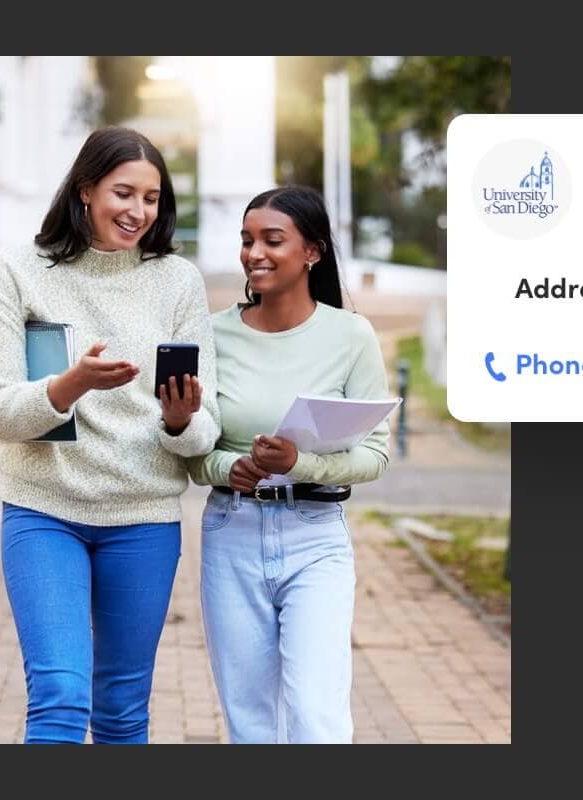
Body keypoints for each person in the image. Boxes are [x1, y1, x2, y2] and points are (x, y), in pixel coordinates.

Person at [0, 126, 219, 744]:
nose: (139, 211)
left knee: (122, 710)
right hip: (43, 511)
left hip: (143, 518)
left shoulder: (177, 281)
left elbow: (203, 432)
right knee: (59, 694)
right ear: (85, 189)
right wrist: (70, 385)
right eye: (123, 193)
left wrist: (180, 419)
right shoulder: (13, 272)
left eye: (152, 198)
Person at [187, 186, 391, 743]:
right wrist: (229, 468)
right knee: (251, 721)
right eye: (247, 240)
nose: (254, 253)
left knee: (317, 716)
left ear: (312, 252)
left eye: (272, 240)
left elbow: (375, 454)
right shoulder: (213, 334)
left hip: (316, 536)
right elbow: (194, 453)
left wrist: (301, 463)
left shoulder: (351, 335)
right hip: (231, 532)